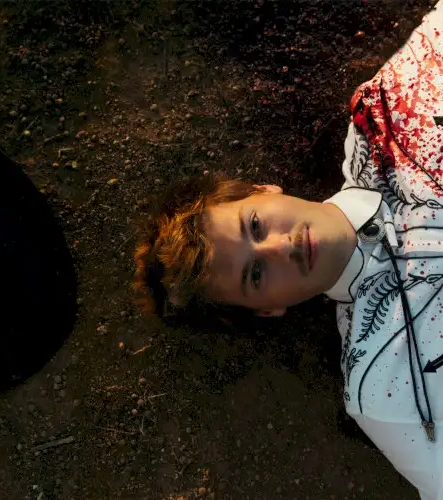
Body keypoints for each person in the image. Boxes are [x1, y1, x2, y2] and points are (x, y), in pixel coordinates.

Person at [134, 1, 443, 499]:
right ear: (268, 310)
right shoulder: (382, 389)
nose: (283, 247)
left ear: (263, 189)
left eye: (255, 225)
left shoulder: (390, 110)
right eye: (255, 275)